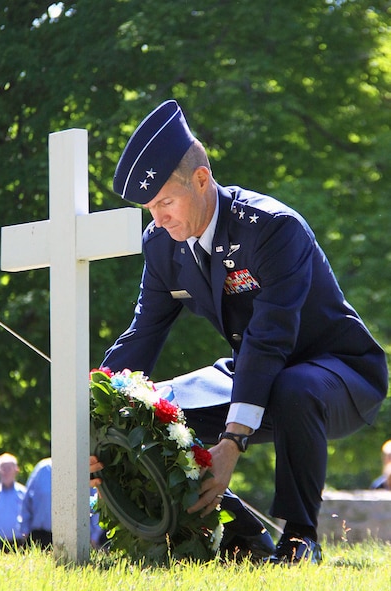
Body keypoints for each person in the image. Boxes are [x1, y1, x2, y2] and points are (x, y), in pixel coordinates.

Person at [90, 100, 388, 565]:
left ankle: (299, 538)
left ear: (202, 179)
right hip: (253, 369)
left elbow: (271, 339)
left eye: (165, 201)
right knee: (152, 407)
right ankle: (236, 535)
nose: (159, 218)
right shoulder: (162, 245)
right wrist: (96, 423)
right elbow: (141, 335)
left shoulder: (272, 229)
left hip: (337, 373)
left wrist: (232, 441)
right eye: (150, 208)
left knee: (294, 385)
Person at [21, 457, 52, 548]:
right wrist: (24, 530)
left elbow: (92, 502)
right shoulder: (43, 468)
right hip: (40, 535)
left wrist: (94, 535)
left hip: (73, 535)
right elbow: (27, 499)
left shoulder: (79, 468)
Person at [0, 452, 26, 550]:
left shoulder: (24, 493)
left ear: (16, 470)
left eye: (9, 468)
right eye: (3, 468)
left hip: (20, 544)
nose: (6, 471)